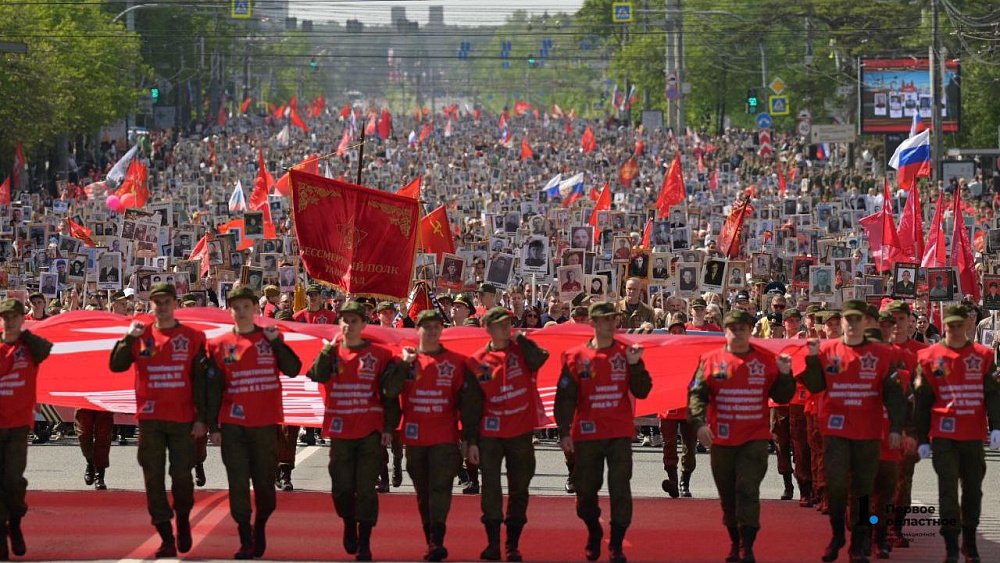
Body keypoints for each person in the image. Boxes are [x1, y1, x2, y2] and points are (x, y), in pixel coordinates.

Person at [800, 299, 906, 563]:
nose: (853, 324)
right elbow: (814, 386)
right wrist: (812, 360)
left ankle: (860, 544)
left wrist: (896, 428)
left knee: (863, 493)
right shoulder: (827, 351)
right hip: (836, 431)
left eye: (858, 319)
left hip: (868, 434)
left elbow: (894, 396)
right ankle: (837, 535)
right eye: (849, 319)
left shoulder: (881, 355)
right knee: (836, 487)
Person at [109, 282, 209, 558]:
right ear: (150, 305)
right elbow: (116, 365)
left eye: (166, 301)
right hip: (150, 420)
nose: (162, 306)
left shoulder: (192, 337)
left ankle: (184, 521)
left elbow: (201, 382)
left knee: (181, 478)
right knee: (153, 480)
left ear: (175, 304)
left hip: (182, 420)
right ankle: (165, 534)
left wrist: (203, 419)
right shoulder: (140, 336)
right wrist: (129, 337)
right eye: (157, 302)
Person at [688, 309, 795, 563]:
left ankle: (748, 546)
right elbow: (696, 396)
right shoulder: (710, 360)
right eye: (732, 328)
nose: (737, 333)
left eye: (743, 328)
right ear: (724, 331)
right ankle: (735, 542)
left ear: (751, 331)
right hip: (722, 440)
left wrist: (785, 374)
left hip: (754, 439)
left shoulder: (766, 360)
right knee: (728, 495)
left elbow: (782, 396)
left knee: (746, 489)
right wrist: (699, 424)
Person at [204, 286, 303, 559]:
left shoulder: (269, 338)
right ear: (230, 310)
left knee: (264, 489)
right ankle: (245, 536)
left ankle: (260, 526)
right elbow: (212, 388)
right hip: (233, 425)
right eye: (235, 306)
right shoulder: (219, 344)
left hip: (264, 425)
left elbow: (294, 369)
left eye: (246, 306)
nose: (241, 311)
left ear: (255, 309)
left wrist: (277, 343)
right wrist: (212, 426)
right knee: (237, 484)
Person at [555, 301, 652, 563]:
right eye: (605, 320)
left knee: (620, 489)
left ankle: (616, 545)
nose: (611, 324)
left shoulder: (627, 353)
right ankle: (594, 530)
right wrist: (564, 431)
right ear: (594, 324)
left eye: (613, 319)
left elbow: (643, 391)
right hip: (587, 435)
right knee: (585, 493)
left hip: (619, 433)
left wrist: (635, 365)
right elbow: (564, 398)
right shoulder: (576, 357)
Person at [306, 300, 404, 561]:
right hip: (340, 431)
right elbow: (315, 375)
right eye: (344, 320)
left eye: (354, 320)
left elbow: (390, 397)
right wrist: (326, 351)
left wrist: (388, 428)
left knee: (366, 488)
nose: (348, 325)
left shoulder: (379, 355)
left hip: (369, 431)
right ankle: (349, 523)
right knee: (341, 488)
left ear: (363, 323)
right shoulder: (332, 352)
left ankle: (365, 540)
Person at [913, 304, 1000, 563]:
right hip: (944, 434)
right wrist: (921, 439)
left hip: (973, 435)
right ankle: (951, 544)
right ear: (944, 326)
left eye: (959, 325)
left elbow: (993, 395)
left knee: (973, 491)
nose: (954, 330)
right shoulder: (929, 357)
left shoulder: (983, 356)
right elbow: (922, 401)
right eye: (950, 326)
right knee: (948, 490)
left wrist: (996, 426)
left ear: (968, 326)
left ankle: (970, 541)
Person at [465, 307, 549, 561]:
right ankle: (492, 542)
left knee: (519, 489)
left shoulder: (521, 352)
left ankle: (512, 544)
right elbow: (471, 405)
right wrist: (470, 441)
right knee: (491, 488)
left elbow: (541, 358)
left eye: (508, 324)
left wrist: (521, 339)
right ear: (487, 329)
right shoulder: (477, 361)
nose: (505, 328)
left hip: (520, 432)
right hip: (490, 434)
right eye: (500, 325)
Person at [394, 309, 478, 562]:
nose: (431, 331)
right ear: (416, 330)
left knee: (440, 488)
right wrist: (404, 366)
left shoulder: (456, 362)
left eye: (436, 327)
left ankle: (436, 540)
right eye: (426, 327)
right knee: (423, 491)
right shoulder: (406, 362)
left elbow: (469, 404)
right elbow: (388, 391)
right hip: (415, 439)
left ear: (442, 330)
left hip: (445, 439)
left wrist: (469, 439)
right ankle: (429, 532)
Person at [0, 299, 53, 561]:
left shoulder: (30, 347)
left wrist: (23, 334)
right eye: (5, 317)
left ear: (22, 318)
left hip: (18, 425)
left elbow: (47, 350)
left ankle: (16, 521)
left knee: (13, 480)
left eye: (14, 317)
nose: (9, 321)